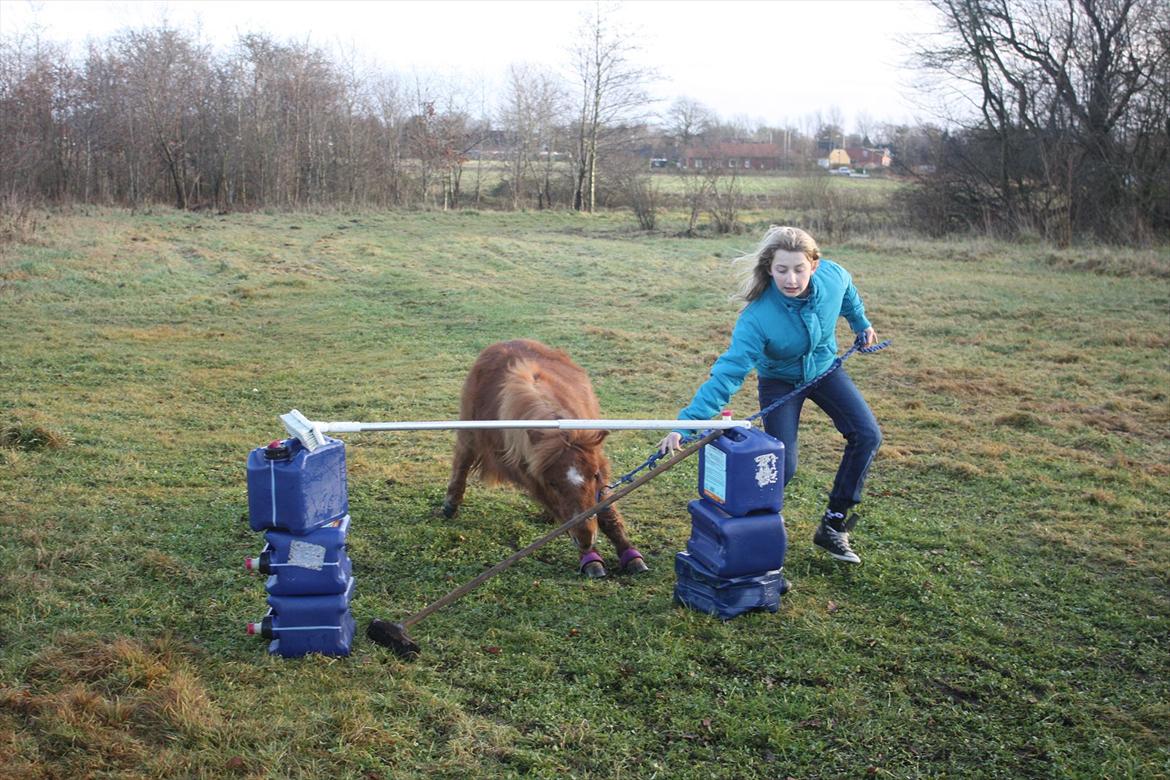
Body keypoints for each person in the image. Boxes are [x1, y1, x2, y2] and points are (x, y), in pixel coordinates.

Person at [658, 225, 882, 564]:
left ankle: (834, 523)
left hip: (824, 370)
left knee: (867, 435)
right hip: (779, 381)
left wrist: (860, 322)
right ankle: (739, 536)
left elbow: (848, 293)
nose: (791, 279)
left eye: (798, 269)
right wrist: (686, 425)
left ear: (814, 266)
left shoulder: (833, 277)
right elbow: (728, 374)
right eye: (781, 270)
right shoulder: (757, 317)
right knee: (779, 467)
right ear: (769, 268)